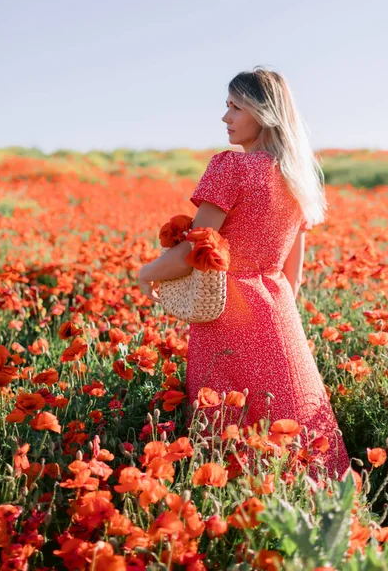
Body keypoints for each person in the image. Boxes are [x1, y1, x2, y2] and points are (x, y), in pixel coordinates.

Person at [138, 66, 351, 481]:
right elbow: (295, 275)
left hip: (225, 310)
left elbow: (193, 252)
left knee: (229, 432)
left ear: (263, 112)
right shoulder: (296, 176)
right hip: (277, 311)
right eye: (227, 107)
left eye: (235, 108)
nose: (225, 118)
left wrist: (147, 271)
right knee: (294, 420)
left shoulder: (232, 168)